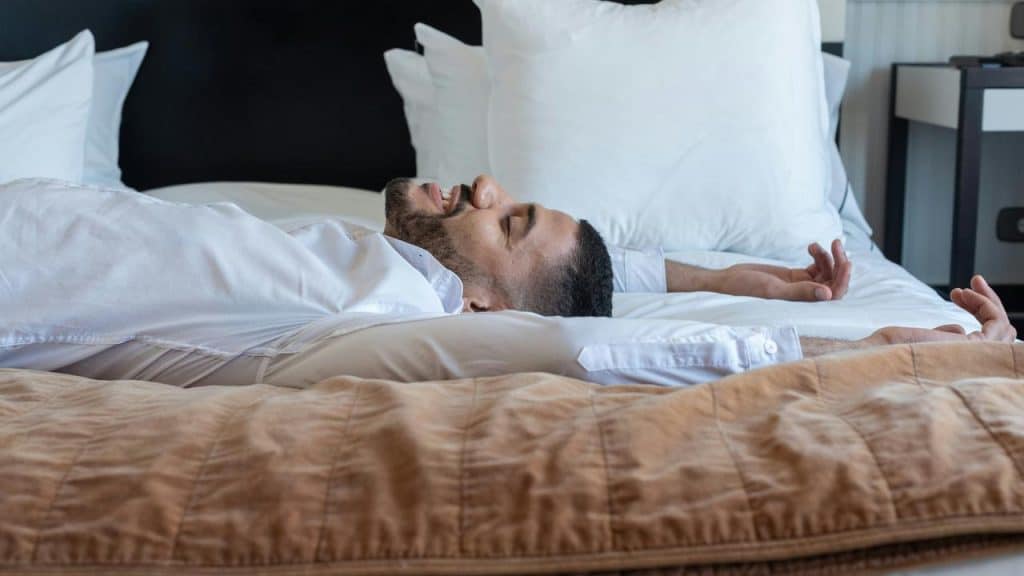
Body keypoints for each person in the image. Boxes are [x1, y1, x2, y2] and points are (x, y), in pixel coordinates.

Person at [0, 176, 1014, 388]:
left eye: (509, 215)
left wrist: (880, 349)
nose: (486, 185)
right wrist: (754, 281)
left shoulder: (381, 310)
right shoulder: (376, 263)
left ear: (481, 300)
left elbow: (581, 342)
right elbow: (601, 287)